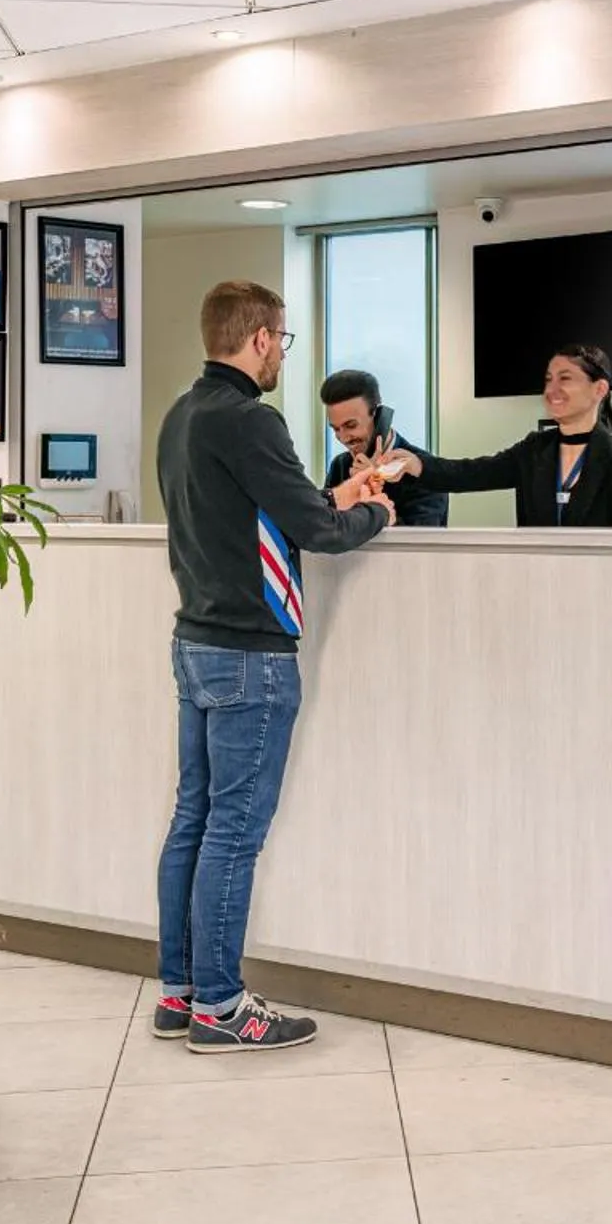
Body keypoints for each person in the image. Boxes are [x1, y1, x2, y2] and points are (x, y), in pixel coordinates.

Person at [153, 280, 393, 1053]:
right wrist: (375, 512)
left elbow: (255, 514)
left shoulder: (185, 414)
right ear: (259, 339)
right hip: (250, 653)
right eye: (282, 341)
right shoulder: (251, 419)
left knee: (193, 821)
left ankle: (181, 993)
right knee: (232, 833)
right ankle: (222, 1010)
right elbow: (318, 534)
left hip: (195, 642)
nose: (281, 355)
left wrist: (333, 497)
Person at [392, 344, 612, 528]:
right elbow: (472, 473)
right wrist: (417, 464)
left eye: (565, 378)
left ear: (599, 389)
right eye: (548, 379)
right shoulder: (534, 451)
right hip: (537, 588)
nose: (552, 389)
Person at [320, 369, 446, 527]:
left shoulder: (424, 470)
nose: (343, 438)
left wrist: (374, 495)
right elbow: (327, 526)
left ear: (379, 416)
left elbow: (419, 543)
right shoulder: (340, 465)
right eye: (336, 429)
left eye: (351, 426)